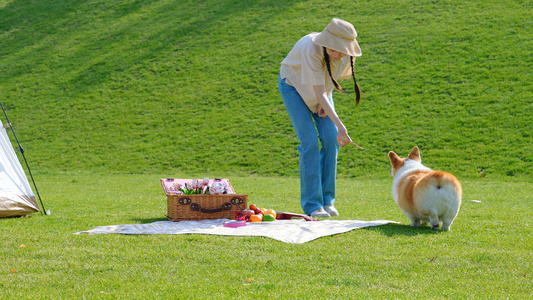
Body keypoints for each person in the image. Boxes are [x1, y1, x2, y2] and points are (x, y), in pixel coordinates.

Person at [278, 18, 364, 218]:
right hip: (293, 87)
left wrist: (323, 104)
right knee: (309, 142)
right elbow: (319, 93)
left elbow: (329, 80)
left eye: (342, 50)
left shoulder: (345, 55)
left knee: (331, 138)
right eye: (334, 49)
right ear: (326, 43)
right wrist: (341, 125)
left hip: (320, 92)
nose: (338, 54)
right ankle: (313, 205)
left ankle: (327, 201)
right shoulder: (311, 48)